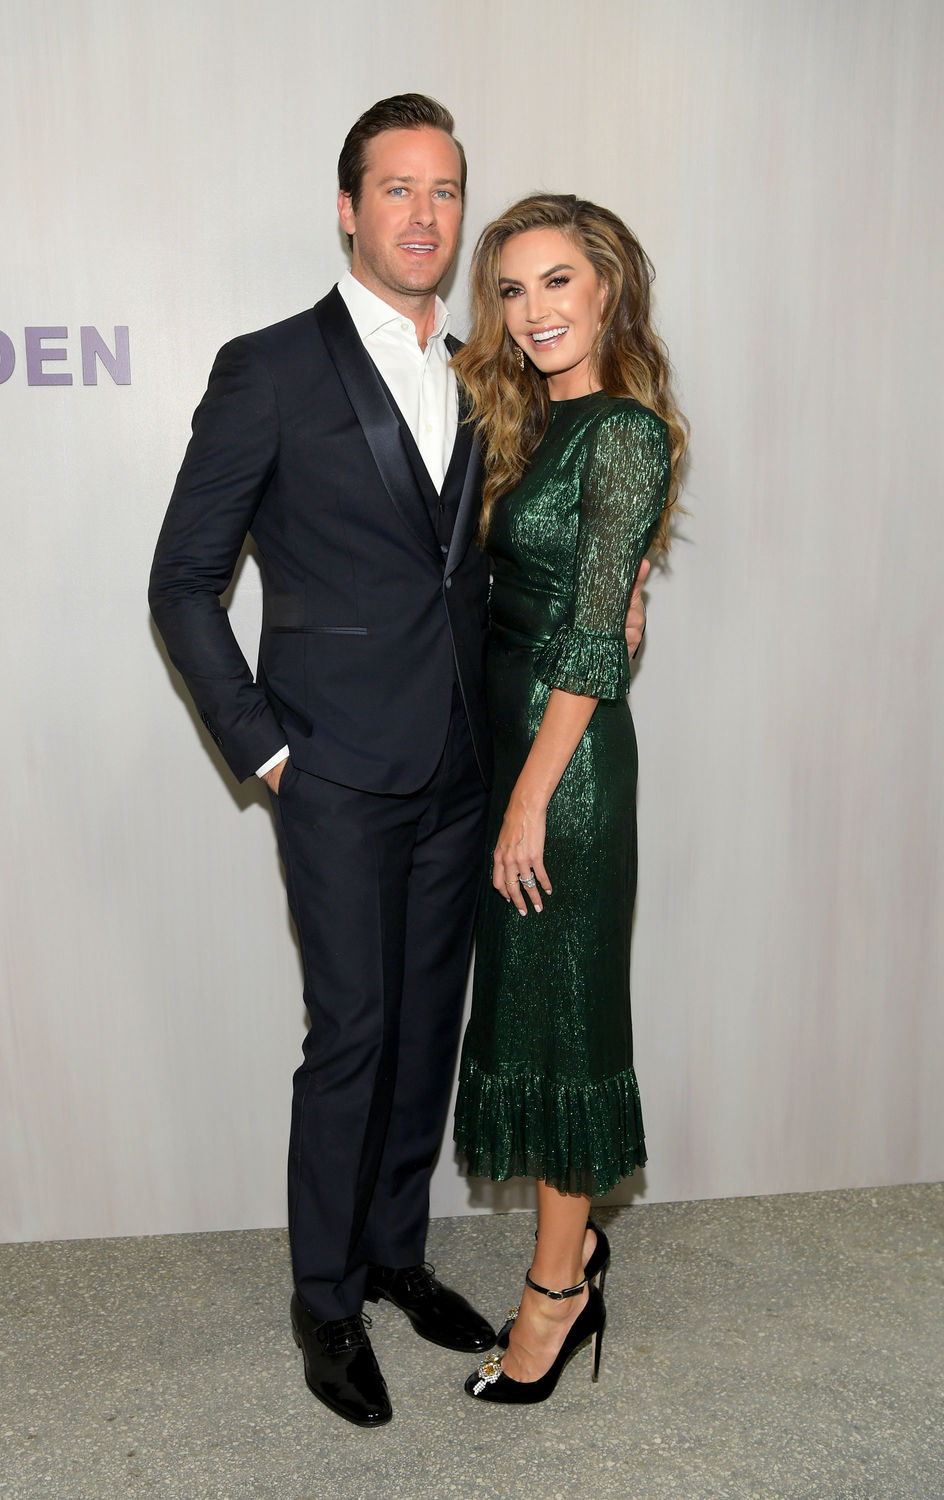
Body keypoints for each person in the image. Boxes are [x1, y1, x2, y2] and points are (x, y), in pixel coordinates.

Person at [150, 96, 646, 1426]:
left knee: (430, 1030)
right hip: (328, 768)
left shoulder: (494, 373)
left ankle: (392, 1257)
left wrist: (617, 590)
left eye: (444, 194)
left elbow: (543, 544)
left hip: (465, 768)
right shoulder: (268, 368)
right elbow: (184, 583)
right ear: (348, 206)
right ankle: (324, 1300)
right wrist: (264, 752)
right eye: (397, 190)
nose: (423, 216)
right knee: (354, 1033)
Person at [450, 194, 687, 1404]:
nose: (534, 310)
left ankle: (555, 1298)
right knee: (528, 1018)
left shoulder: (627, 434)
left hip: (566, 771)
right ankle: (574, 1251)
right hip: (507, 753)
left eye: (556, 282)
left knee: (562, 1030)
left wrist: (532, 800)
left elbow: (594, 641)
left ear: (605, 290)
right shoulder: (518, 415)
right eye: (509, 289)